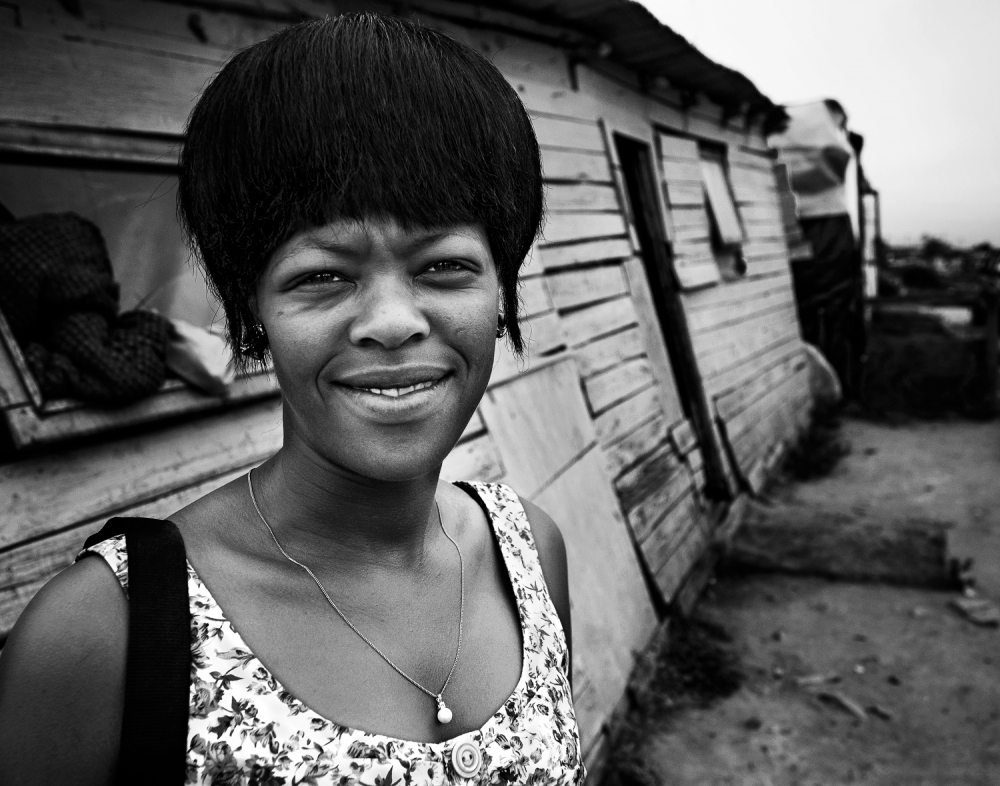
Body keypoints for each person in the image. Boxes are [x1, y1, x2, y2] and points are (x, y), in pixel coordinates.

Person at [0, 14, 582, 785]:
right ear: (254, 315)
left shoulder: (529, 553)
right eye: (322, 276)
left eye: (444, 266)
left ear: (500, 291)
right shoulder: (101, 635)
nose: (391, 322)